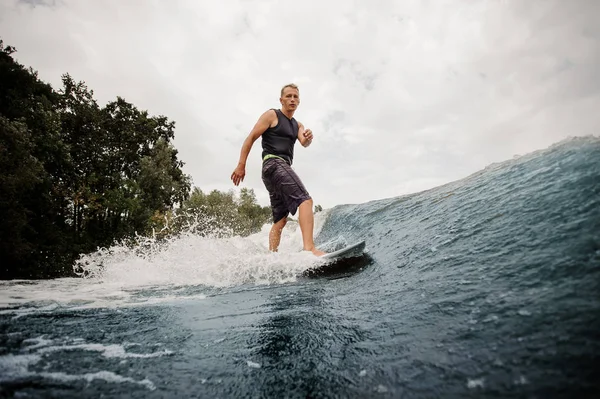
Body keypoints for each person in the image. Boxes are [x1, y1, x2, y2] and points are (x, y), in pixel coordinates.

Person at [231, 83, 326, 256]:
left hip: (275, 173)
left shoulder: (298, 125)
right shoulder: (272, 115)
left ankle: (272, 258)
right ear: (281, 99)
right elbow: (251, 137)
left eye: (295, 97)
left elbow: (304, 142)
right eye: (288, 96)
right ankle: (310, 249)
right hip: (273, 163)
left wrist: (308, 139)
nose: (292, 99)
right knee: (305, 201)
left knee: (280, 221)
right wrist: (241, 164)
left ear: (299, 101)